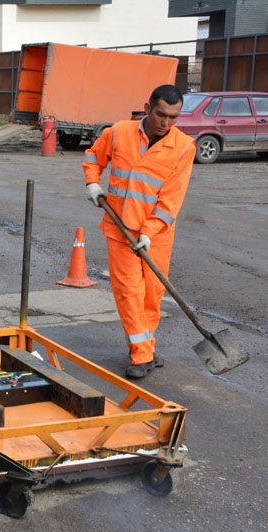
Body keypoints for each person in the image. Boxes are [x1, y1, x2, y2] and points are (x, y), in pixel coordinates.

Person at [82, 84, 195, 379]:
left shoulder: (183, 147)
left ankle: (146, 345)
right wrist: (92, 183)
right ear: (147, 109)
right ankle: (142, 355)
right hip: (120, 230)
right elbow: (94, 157)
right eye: (161, 115)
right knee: (130, 293)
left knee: (152, 295)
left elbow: (172, 199)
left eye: (174, 117)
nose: (166, 123)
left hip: (156, 235)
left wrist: (149, 230)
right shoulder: (119, 132)